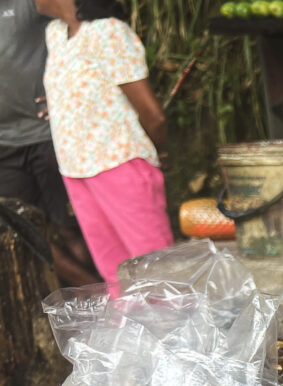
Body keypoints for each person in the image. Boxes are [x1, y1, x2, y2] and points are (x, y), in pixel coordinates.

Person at [34, 0, 174, 288]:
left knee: (154, 271)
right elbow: (86, 88)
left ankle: (173, 330)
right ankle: (129, 332)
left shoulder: (109, 33)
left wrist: (152, 153)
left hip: (120, 165)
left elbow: (154, 116)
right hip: (76, 170)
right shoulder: (56, 34)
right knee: (115, 273)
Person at [0, 0, 99, 286]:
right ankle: (94, 295)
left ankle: (105, 301)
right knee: (18, 230)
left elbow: (80, 22)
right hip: (4, 146)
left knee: (69, 228)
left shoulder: (27, 4)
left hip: (46, 136)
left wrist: (66, 87)